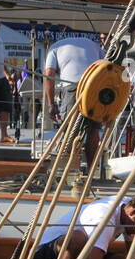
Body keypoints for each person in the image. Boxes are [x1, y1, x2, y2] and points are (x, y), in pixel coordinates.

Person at [44, 31, 103, 161]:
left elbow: (49, 75)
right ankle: (91, 169)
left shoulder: (54, 48)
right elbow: (105, 66)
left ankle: (70, 169)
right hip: (94, 85)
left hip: (72, 88)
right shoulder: (93, 45)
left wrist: (51, 104)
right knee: (93, 129)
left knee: (70, 129)